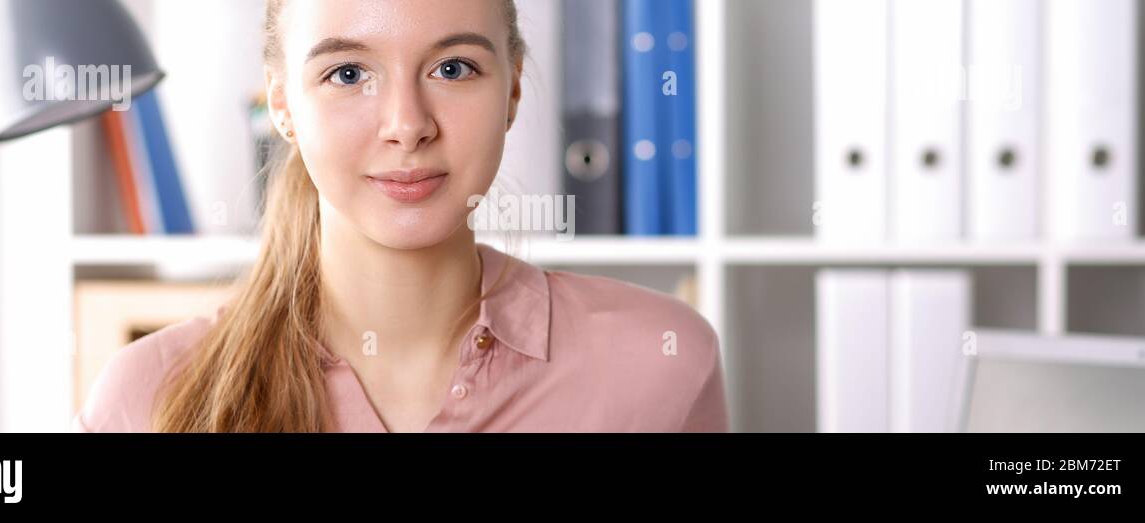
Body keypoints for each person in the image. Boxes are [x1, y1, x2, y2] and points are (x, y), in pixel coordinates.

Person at [72, 0, 727, 433]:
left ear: (513, 90)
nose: (407, 125)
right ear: (282, 106)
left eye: (453, 67)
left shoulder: (662, 363)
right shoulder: (147, 399)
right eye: (350, 73)